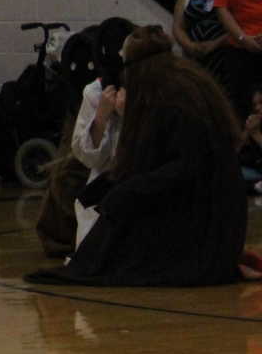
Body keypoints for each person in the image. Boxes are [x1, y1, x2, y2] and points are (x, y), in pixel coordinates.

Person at [28, 26, 247, 288]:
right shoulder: (184, 82)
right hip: (215, 198)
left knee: (123, 199)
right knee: (110, 193)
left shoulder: (171, 98)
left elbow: (177, 165)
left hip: (203, 203)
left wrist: (125, 186)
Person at [67, 17, 138, 249]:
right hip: (107, 178)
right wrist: (101, 117)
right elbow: (88, 157)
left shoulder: (149, 87)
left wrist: (128, 116)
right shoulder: (94, 92)